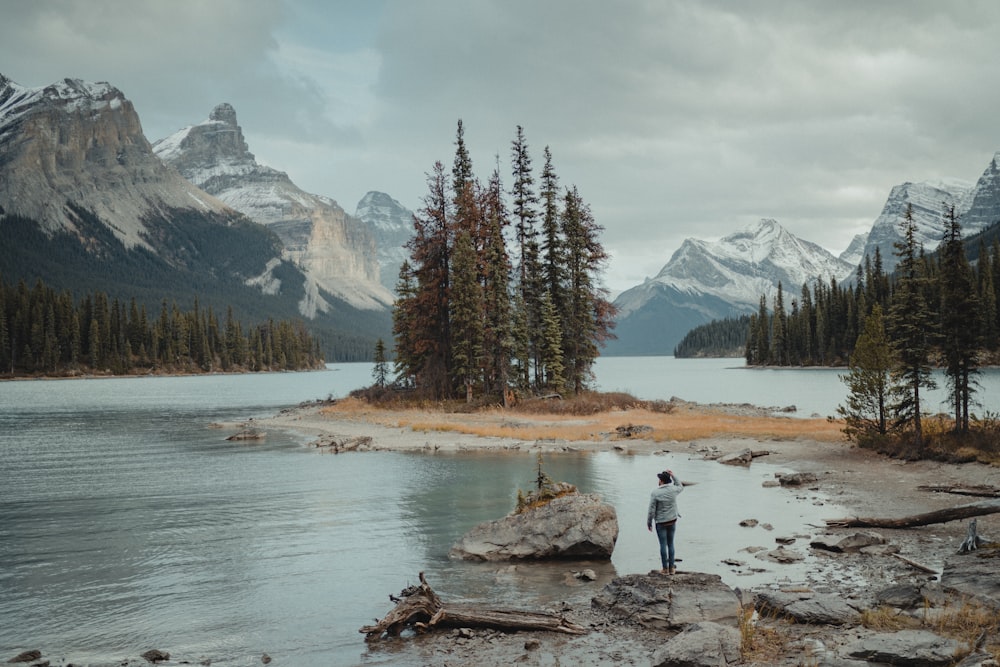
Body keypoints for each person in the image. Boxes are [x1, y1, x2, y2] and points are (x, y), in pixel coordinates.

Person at [646, 469, 683, 574]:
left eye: (659, 479)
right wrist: (673, 475)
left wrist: (649, 523)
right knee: (671, 544)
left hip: (661, 523)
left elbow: (651, 510)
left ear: (661, 481)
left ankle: (665, 569)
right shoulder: (673, 490)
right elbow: (680, 485)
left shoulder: (655, 493)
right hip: (672, 520)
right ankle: (672, 568)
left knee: (663, 545)